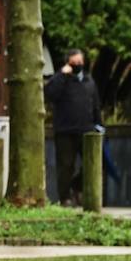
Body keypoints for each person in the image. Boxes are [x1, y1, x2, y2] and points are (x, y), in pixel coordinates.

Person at [44, 48, 102, 206]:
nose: (77, 65)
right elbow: (50, 94)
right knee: (65, 166)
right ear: (67, 63)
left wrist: (100, 125)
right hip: (65, 131)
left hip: (87, 130)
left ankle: (77, 186)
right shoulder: (60, 80)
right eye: (74, 63)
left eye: (80, 62)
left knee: (92, 164)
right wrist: (62, 74)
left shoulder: (89, 81)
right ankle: (65, 198)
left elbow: (95, 105)